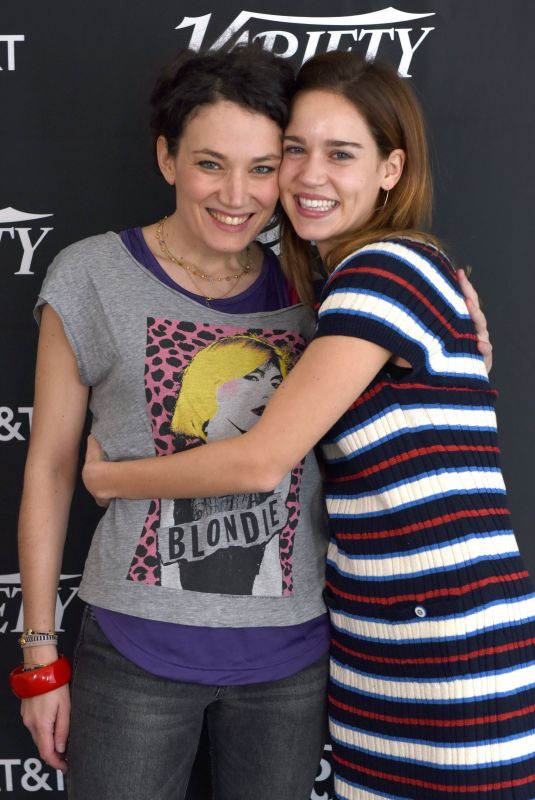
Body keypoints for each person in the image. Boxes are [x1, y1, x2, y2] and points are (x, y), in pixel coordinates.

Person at [83, 51, 534, 800]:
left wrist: (107, 477)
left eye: (340, 153)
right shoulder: (342, 283)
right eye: (294, 150)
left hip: (448, 638)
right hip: (374, 633)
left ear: (391, 169)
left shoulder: (382, 272)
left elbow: (262, 461)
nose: (308, 175)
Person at [16, 47, 331, 800]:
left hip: (289, 664)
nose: (237, 194)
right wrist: (38, 658)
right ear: (166, 157)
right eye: (210, 164)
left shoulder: (321, 284)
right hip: (134, 657)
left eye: (262, 168)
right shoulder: (91, 275)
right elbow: (52, 468)